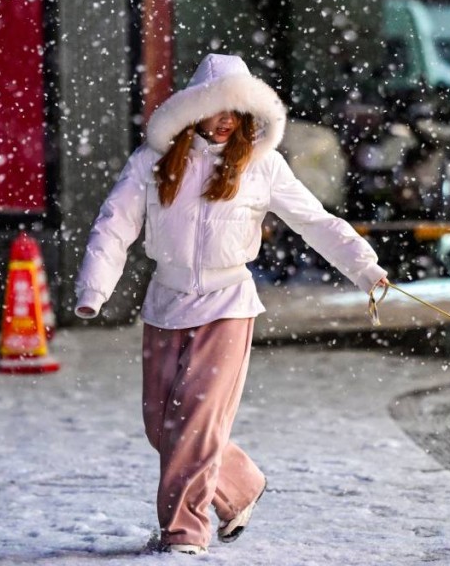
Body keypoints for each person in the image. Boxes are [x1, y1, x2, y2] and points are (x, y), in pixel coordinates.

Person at [74, 54, 388, 555]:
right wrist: (94, 289)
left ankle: (183, 533)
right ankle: (240, 485)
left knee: (193, 423)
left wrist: (366, 267)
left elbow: (315, 221)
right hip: (166, 301)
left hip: (228, 304)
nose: (225, 120)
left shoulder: (263, 166)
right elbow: (115, 224)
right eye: (217, 108)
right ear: (194, 110)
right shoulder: (152, 163)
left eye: (236, 111)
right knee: (162, 427)